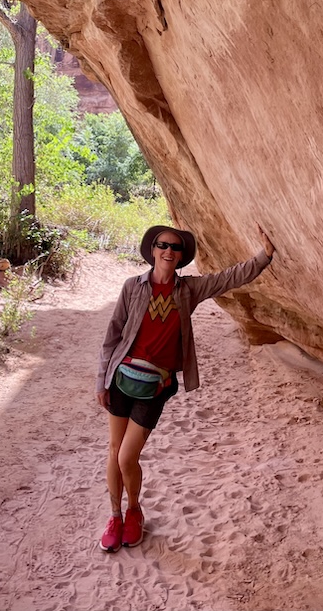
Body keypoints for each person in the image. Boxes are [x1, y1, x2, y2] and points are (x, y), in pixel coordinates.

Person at [95, 223, 275, 552]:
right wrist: (101, 380)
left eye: (175, 248)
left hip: (156, 384)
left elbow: (230, 277)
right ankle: (115, 516)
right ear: (152, 250)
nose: (168, 250)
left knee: (126, 457)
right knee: (113, 450)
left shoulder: (188, 291)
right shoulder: (132, 287)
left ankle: (134, 511)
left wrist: (264, 256)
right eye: (162, 245)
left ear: (180, 258)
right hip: (120, 378)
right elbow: (113, 335)